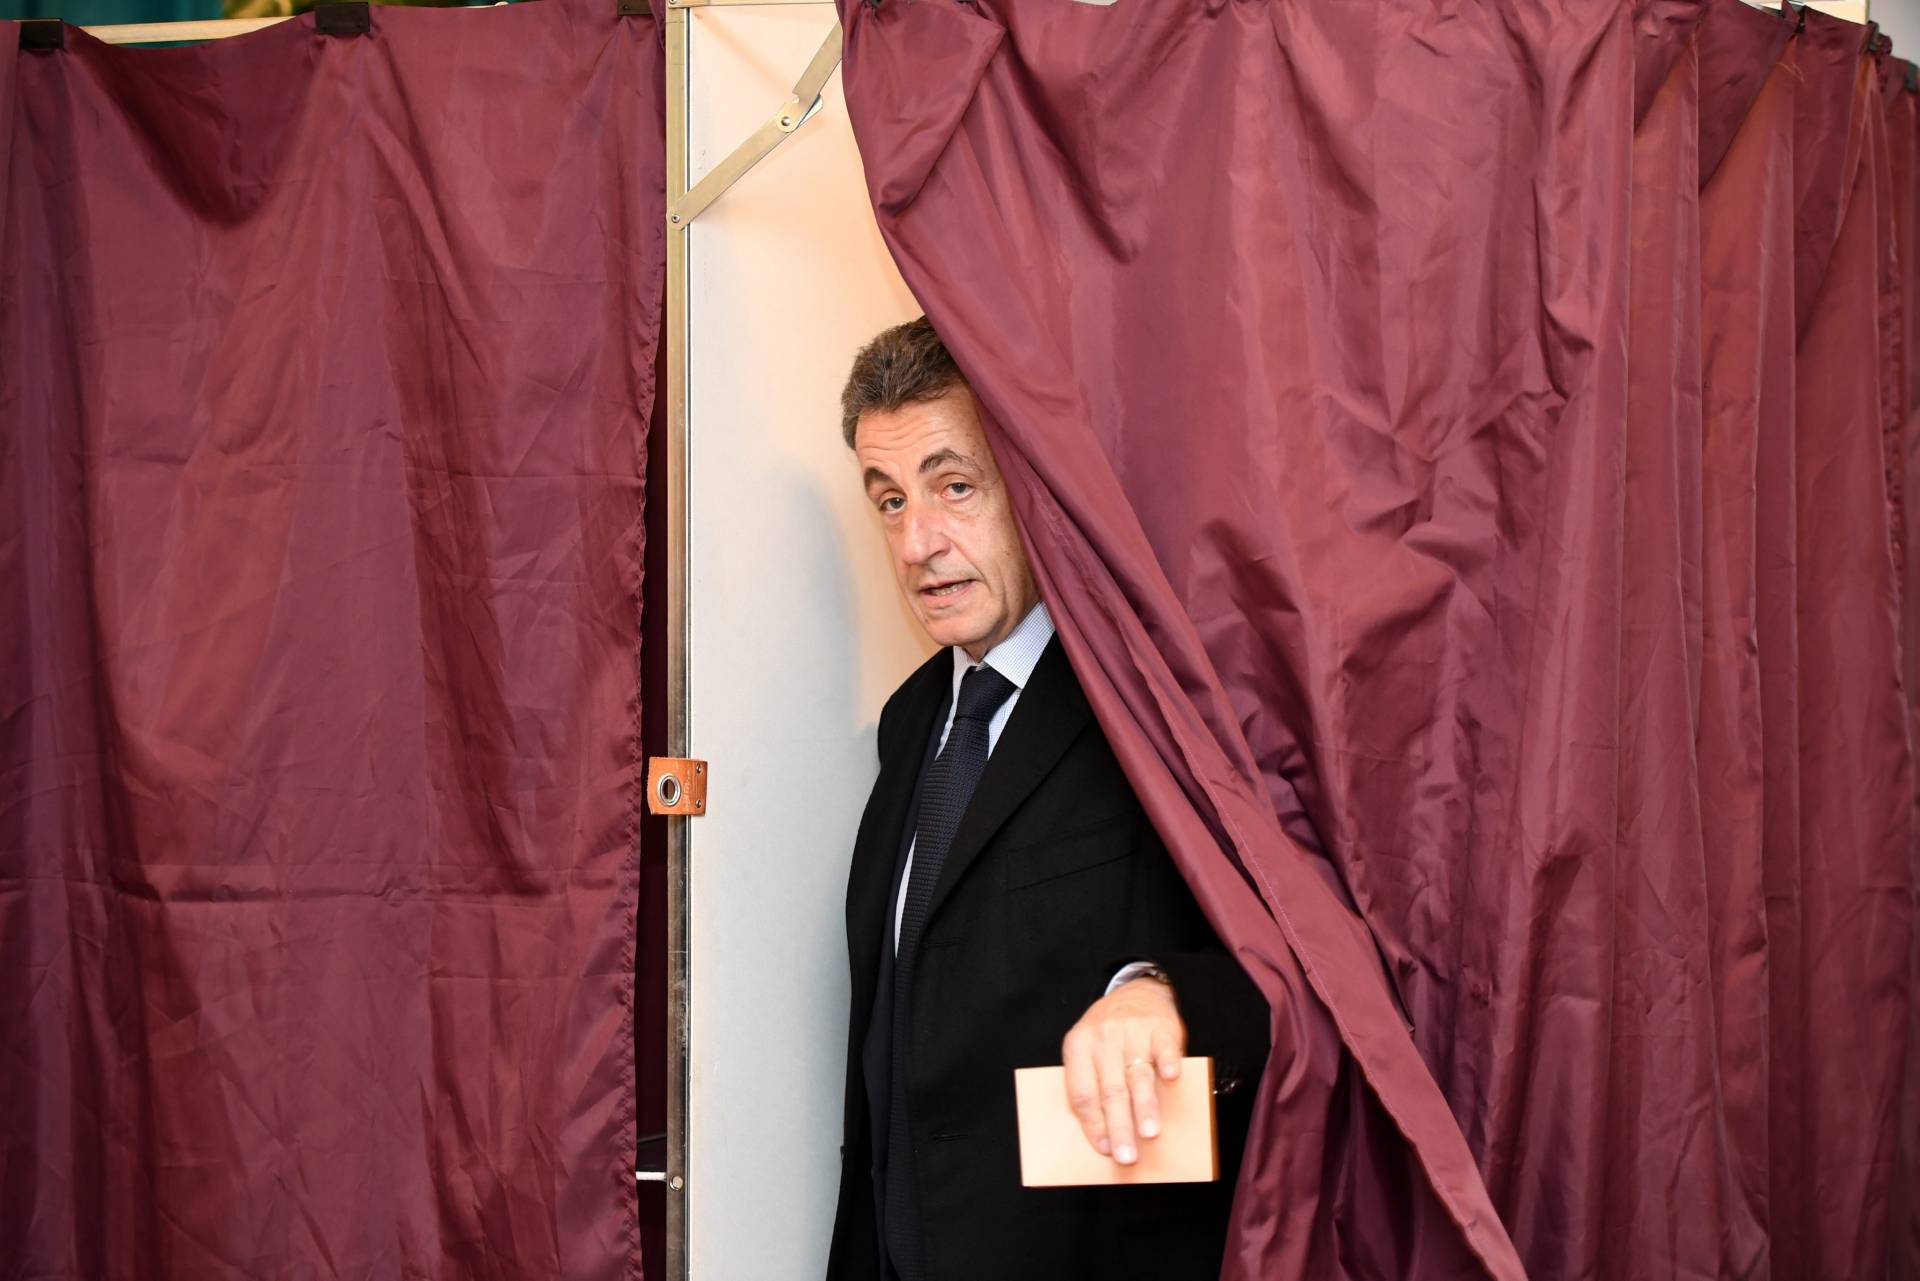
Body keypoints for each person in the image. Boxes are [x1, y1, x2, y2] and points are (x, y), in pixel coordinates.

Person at [825, 317, 1271, 1281]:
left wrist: (1158, 996)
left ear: (1029, 484)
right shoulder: (909, 725)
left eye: (954, 487)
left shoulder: (1148, 706)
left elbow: (1288, 970)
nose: (917, 543)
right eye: (889, 501)